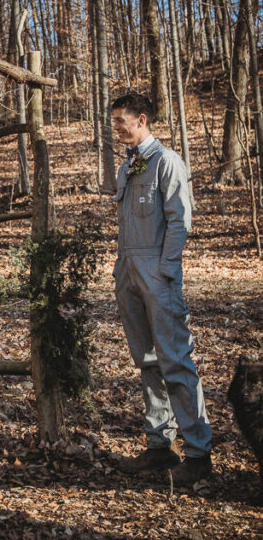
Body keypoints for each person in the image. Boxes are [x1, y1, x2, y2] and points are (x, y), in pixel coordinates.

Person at [110, 93, 212, 484]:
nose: (116, 126)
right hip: (129, 271)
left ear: (142, 119)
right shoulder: (126, 168)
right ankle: (159, 446)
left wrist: (167, 272)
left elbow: (180, 221)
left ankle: (199, 452)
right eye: (114, 120)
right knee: (147, 360)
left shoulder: (167, 162)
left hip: (158, 271)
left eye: (121, 120)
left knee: (174, 359)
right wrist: (123, 270)